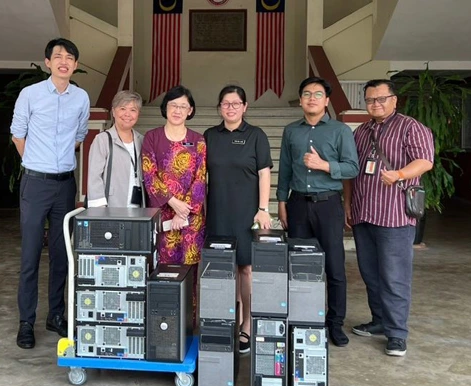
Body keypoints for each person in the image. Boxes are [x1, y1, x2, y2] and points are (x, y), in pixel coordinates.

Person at [10, 38, 90, 349]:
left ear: (75, 65)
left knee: (61, 254)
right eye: (58, 56)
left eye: (70, 57)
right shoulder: (30, 94)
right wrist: (36, 161)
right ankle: (26, 321)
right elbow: (18, 133)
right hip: (35, 183)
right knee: (30, 254)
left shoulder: (80, 98)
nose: (64, 61)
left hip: (64, 184)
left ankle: (56, 314)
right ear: (47, 62)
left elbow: (80, 135)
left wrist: (59, 162)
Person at [348, 79, 434, 357]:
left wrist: (398, 174)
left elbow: (425, 161)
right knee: (370, 273)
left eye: (381, 98)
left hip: (395, 215)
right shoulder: (361, 131)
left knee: (394, 276)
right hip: (364, 213)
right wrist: (348, 204)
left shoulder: (411, 127)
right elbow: (352, 171)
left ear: (394, 100)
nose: (376, 104)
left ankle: (397, 333)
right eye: (371, 100)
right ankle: (379, 321)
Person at [277, 77, 359, 347]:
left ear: (326, 100)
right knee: (298, 267)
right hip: (298, 204)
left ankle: (334, 323)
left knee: (334, 268)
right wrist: (281, 202)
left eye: (318, 94)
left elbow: (352, 168)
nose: (312, 98)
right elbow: (286, 170)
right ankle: (302, 318)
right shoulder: (291, 131)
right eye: (307, 94)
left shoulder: (340, 131)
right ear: (300, 100)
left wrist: (325, 165)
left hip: (328, 205)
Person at [204, 85, 273, 354]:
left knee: (245, 268)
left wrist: (264, 208)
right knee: (224, 268)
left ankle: (246, 323)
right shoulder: (210, 136)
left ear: (245, 107)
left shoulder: (256, 135)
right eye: (225, 103)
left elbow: (264, 173)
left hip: (247, 212)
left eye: (236, 103)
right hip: (218, 211)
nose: (230, 108)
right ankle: (227, 321)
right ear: (219, 107)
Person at [141, 85, 206, 265]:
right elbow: (150, 175)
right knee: (163, 271)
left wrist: (183, 212)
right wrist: (174, 203)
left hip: (190, 217)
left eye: (183, 106)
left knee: (189, 271)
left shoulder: (198, 140)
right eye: (173, 105)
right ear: (165, 107)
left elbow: (200, 179)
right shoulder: (152, 137)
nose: (178, 110)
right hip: (162, 214)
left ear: (190, 110)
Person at [87, 90, 145, 208]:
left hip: (138, 209)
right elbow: (94, 177)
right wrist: (100, 209)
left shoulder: (142, 140)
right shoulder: (102, 140)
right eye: (122, 108)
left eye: (133, 110)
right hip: (111, 207)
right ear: (113, 111)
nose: (127, 114)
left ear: (138, 114)